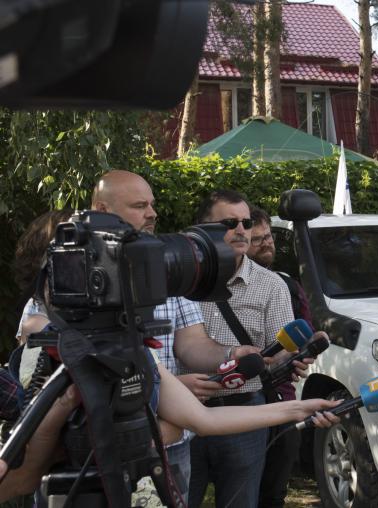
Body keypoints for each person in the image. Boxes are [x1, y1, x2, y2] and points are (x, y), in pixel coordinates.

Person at [14, 170, 254, 501]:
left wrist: (231, 354)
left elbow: (193, 344)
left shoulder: (172, 269)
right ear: (102, 209)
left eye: (152, 204)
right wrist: (154, 386)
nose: (152, 214)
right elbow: (42, 351)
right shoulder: (67, 277)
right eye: (140, 206)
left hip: (169, 449)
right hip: (84, 458)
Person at [0, 355, 342, 505]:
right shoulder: (43, 354)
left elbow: (203, 421)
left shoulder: (136, 356)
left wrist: (297, 408)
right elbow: (19, 479)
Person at [188, 190, 299, 508]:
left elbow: (281, 352)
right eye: (229, 223)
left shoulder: (272, 285)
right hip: (184, 412)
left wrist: (292, 358)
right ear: (203, 228)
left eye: (246, 223)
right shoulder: (181, 280)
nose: (241, 230)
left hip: (244, 414)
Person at [247, 206, 309, 508]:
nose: (267, 244)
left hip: (281, 399)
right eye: (257, 239)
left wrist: (304, 353)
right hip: (242, 402)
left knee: (273, 490)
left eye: (269, 237)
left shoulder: (288, 285)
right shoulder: (216, 290)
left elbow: (305, 334)